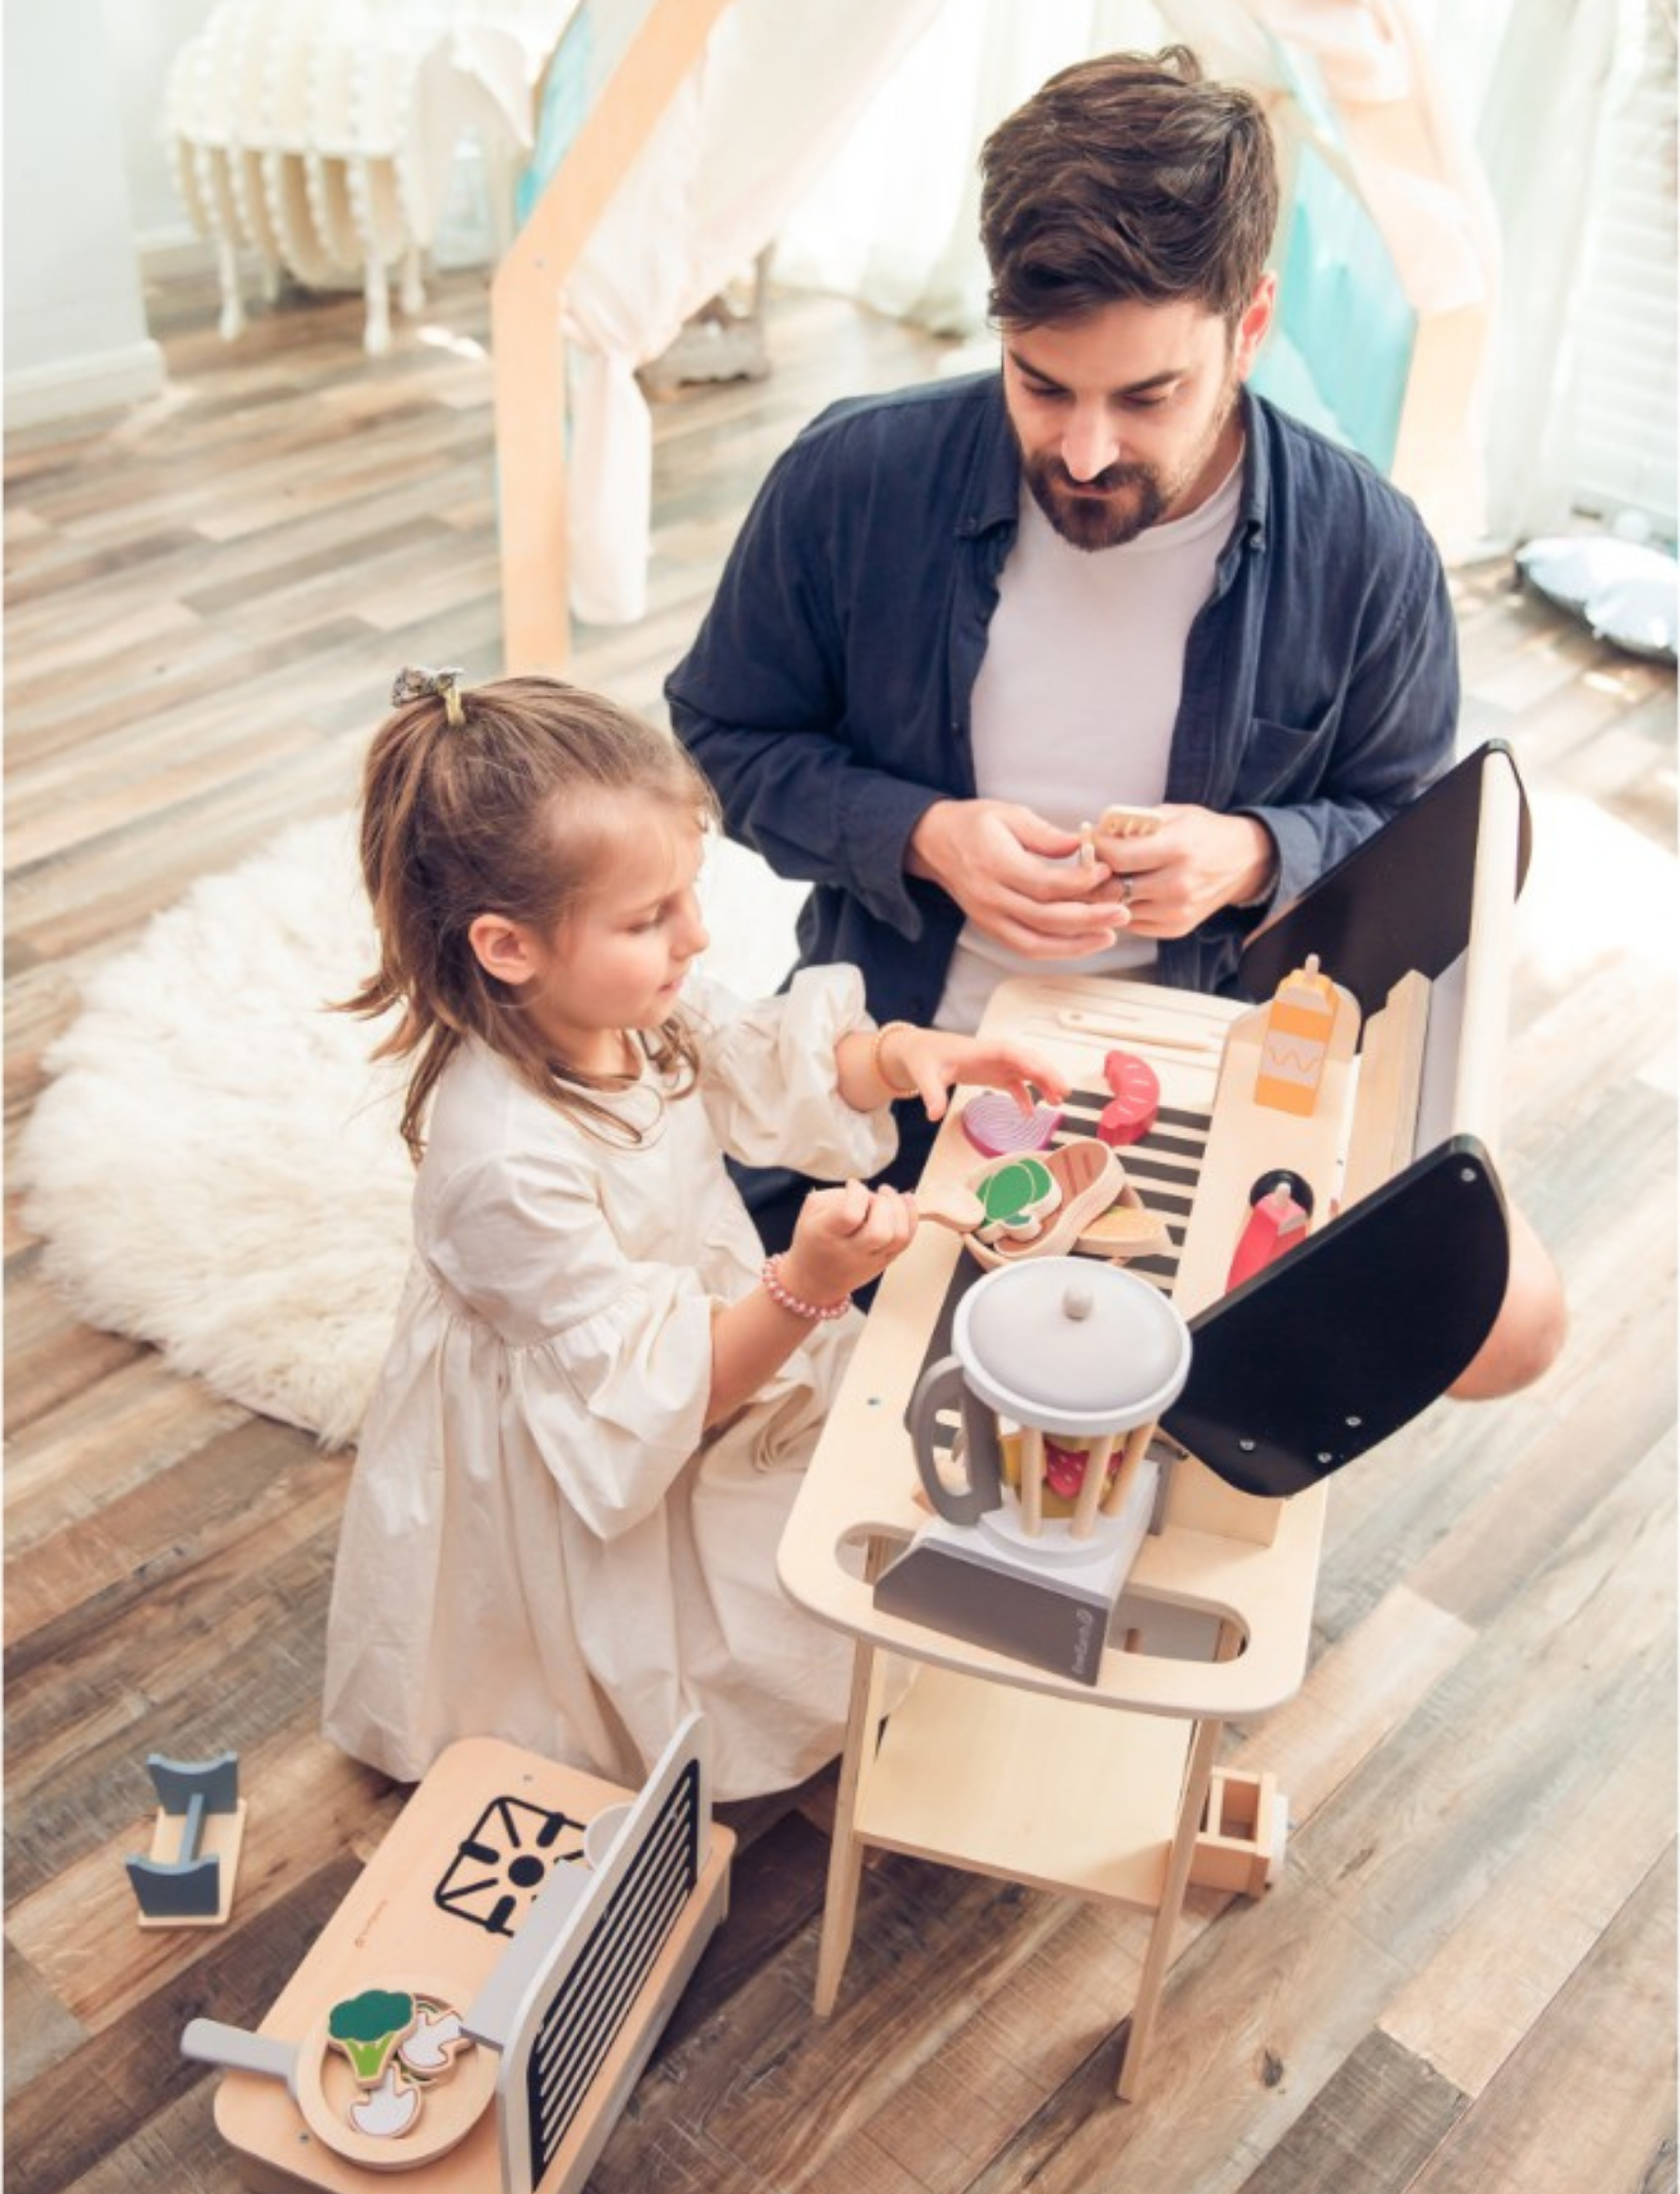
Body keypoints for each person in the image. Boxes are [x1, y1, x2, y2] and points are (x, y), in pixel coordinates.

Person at [667, 45, 1565, 1395]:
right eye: (1041, 384)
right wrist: (922, 837)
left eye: (1147, 397)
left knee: (1513, 1324)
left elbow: (1416, 834)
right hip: (907, 1062)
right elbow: (722, 735)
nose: (1085, 453)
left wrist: (1255, 858)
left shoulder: (1366, 549)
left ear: (1250, 327)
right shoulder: (850, 482)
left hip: (1219, 1059)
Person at [320, 667, 1066, 1800]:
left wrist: (905, 1054)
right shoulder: (505, 1165)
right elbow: (662, 1394)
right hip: (607, 1420)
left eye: (691, 894)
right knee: (659, 1650)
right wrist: (808, 1282)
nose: (697, 935)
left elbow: (766, 1056)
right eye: (649, 917)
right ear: (508, 947)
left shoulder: (633, 1010)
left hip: (692, 1338)